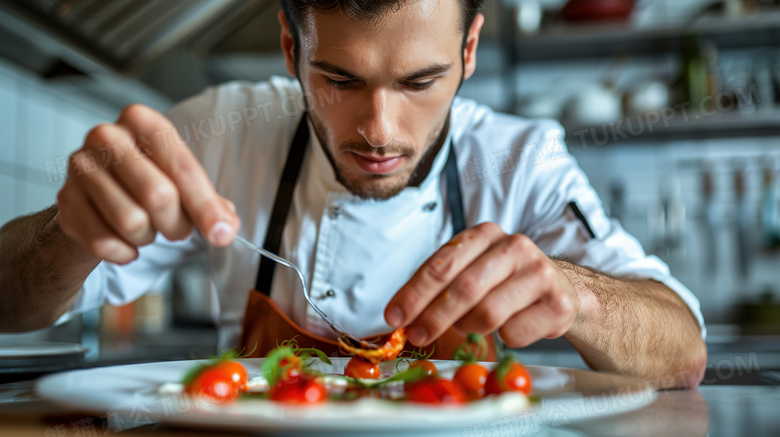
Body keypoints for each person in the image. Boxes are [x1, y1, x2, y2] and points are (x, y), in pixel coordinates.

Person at [0, 0, 706, 388]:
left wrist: (574, 293)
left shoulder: (521, 162)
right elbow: (9, 304)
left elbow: (683, 353)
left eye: (419, 82)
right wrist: (67, 231)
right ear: (289, 50)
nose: (378, 130)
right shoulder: (218, 133)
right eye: (338, 80)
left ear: (468, 51)